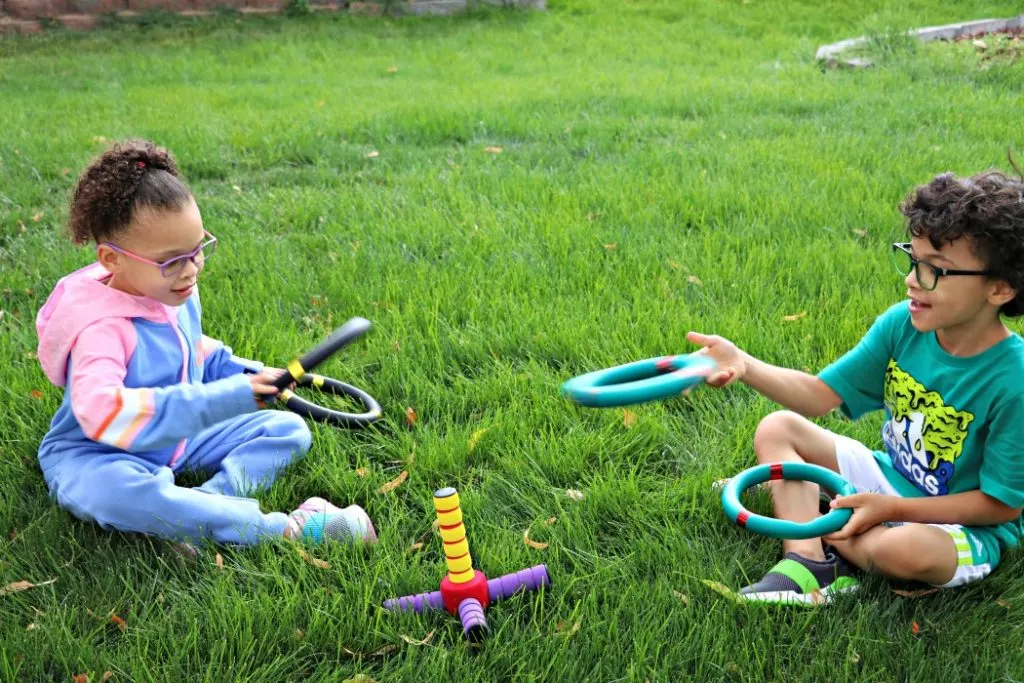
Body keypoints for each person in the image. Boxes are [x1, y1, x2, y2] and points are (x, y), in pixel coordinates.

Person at [691, 167, 1024, 604]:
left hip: (963, 522)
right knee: (778, 428)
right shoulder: (902, 325)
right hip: (890, 477)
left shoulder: (1014, 381)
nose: (911, 279)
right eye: (912, 259)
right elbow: (818, 396)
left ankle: (822, 516)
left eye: (934, 271)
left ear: (999, 289)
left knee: (907, 551)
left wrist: (894, 511)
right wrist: (744, 365)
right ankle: (809, 562)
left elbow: (1000, 506)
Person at [35, 139, 376, 547]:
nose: (191, 269)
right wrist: (231, 396)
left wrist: (245, 374)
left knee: (286, 429)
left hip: (177, 439)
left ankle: (201, 506)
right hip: (100, 455)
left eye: (197, 250)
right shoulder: (100, 332)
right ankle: (290, 530)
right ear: (111, 259)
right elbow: (105, 415)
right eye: (171, 260)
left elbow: (191, 351)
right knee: (120, 494)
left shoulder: (172, 291)